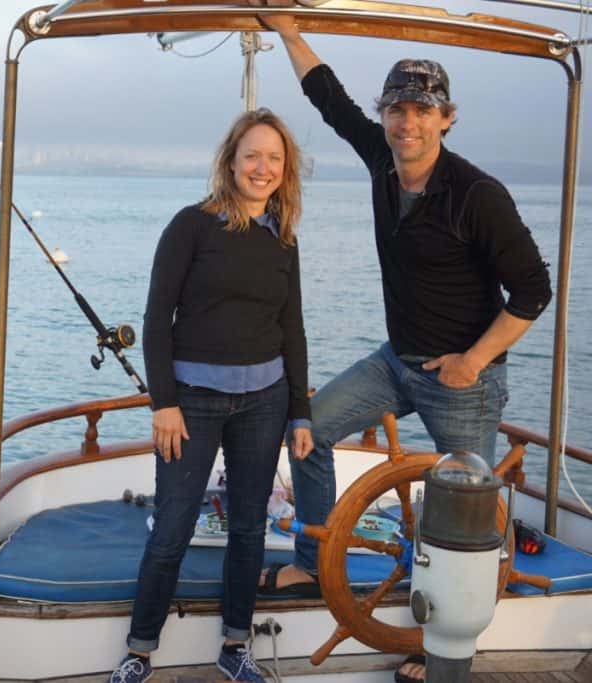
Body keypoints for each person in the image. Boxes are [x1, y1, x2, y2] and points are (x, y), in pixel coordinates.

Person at [257, 10, 553, 683]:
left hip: (464, 380)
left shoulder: (478, 195)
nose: (407, 123)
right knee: (306, 423)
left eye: (421, 110)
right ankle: (315, 552)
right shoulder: (382, 162)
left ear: (446, 118)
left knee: (464, 515)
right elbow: (328, 98)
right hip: (397, 359)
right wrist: (288, 30)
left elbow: (533, 290)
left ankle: (445, 642)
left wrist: (475, 359)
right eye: (397, 109)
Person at [107, 108, 314, 683]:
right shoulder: (190, 226)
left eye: (275, 158)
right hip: (190, 404)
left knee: (249, 528)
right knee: (171, 526)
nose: (263, 167)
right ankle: (139, 649)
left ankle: (235, 645)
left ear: (285, 169)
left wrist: (300, 411)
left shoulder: (284, 240)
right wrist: (163, 404)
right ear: (230, 161)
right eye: (253, 155)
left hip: (265, 402)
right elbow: (156, 321)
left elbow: (292, 328)